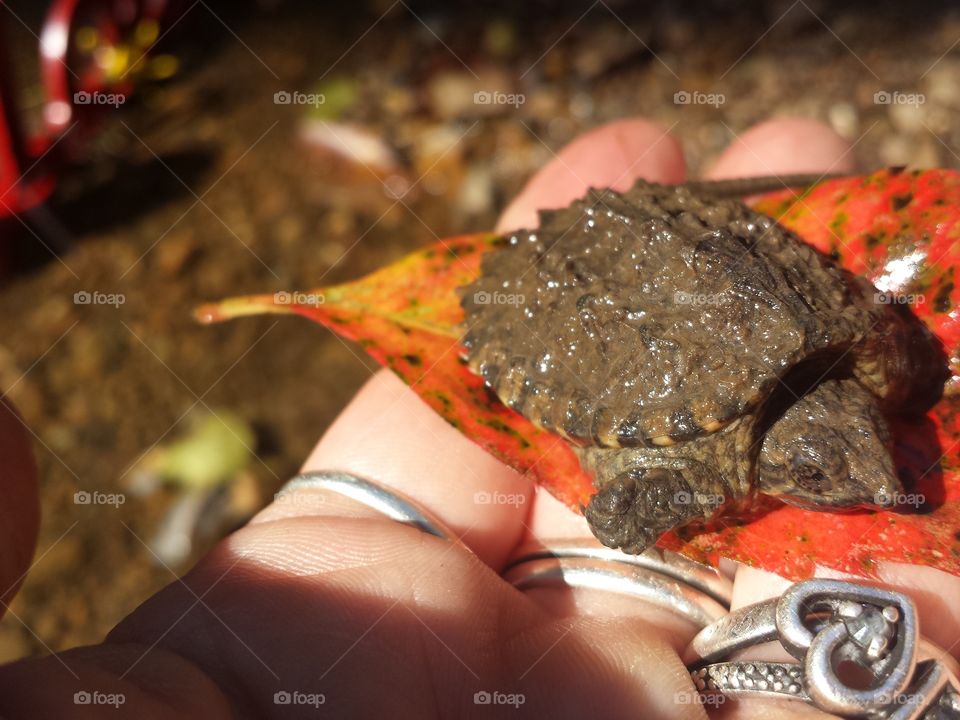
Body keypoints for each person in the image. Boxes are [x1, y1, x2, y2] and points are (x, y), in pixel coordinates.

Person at [0, 117, 957, 719]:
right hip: (566, 284)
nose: (876, 483)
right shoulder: (714, 453)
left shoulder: (856, 344)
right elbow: (625, 517)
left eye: (853, 463)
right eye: (830, 476)